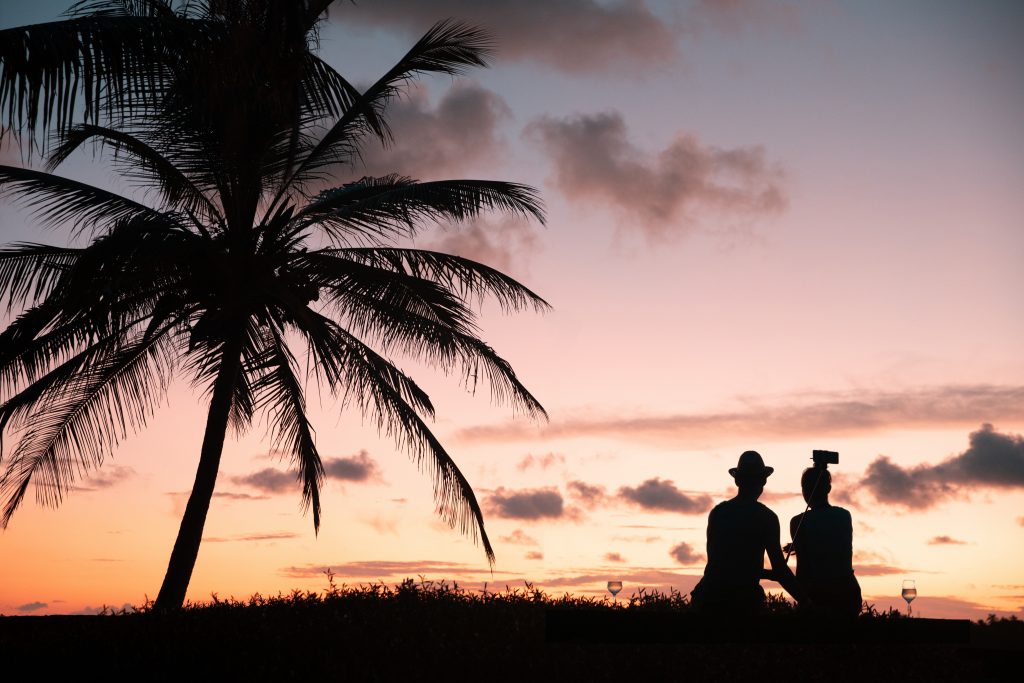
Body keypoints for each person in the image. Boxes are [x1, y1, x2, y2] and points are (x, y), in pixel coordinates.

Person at [690, 450, 805, 614]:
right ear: (763, 481)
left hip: (708, 599)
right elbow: (779, 570)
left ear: (737, 481)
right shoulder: (767, 518)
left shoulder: (718, 513)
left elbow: (721, 566)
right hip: (744, 603)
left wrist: (769, 574)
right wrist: (807, 602)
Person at [786, 465, 862, 618]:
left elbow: (803, 572)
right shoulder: (844, 516)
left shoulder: (798, 522)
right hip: (848, 595)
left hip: (819, 597)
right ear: (828, 489)